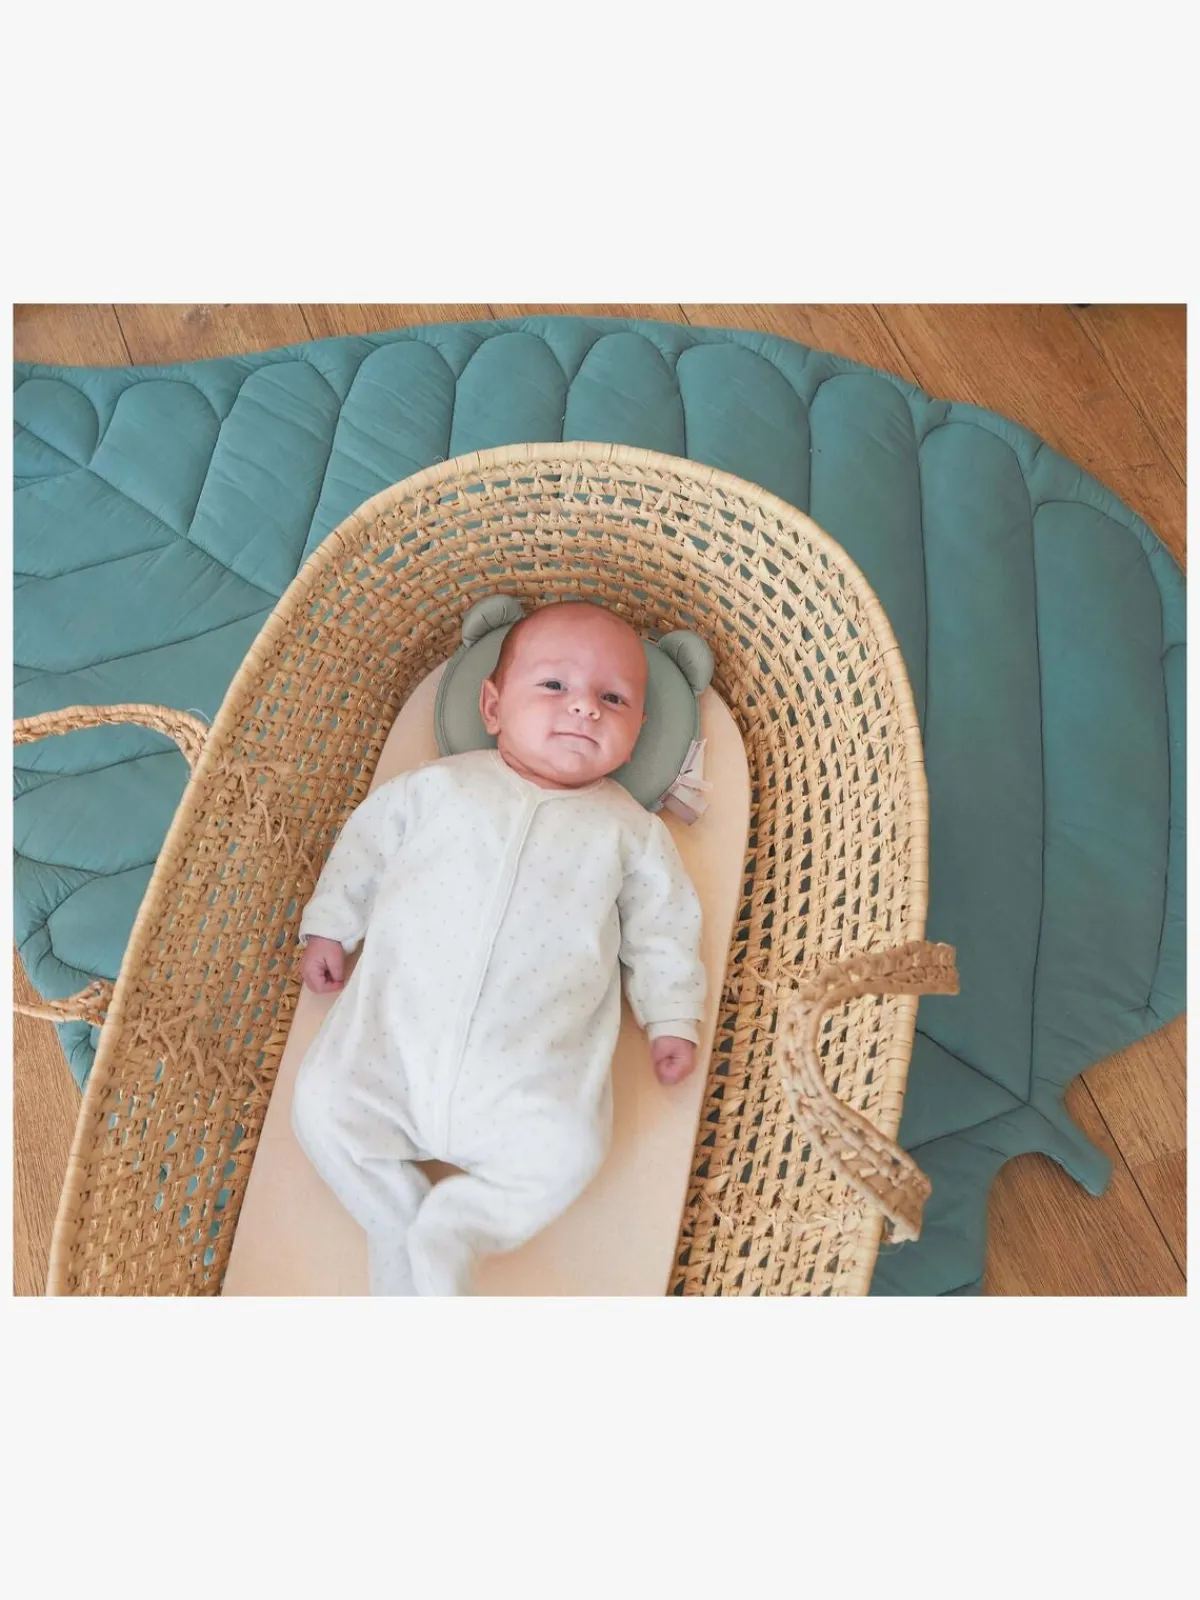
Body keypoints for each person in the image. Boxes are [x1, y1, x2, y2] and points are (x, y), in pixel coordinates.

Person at [292, 600, 707, 1294]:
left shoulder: (631, 832)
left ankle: (460, 1226)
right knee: (321, 1104)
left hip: (528, 1074)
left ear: (638, 733)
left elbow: (664, 929)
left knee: (572, 1147)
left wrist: (671, 1016)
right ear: (492, 706)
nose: (584, 707)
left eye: (613, 699)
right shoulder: (437, 787)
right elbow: (363, 850)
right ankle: (396, 1222)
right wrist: (331, 925)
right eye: (554, 686)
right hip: (395, 1045)